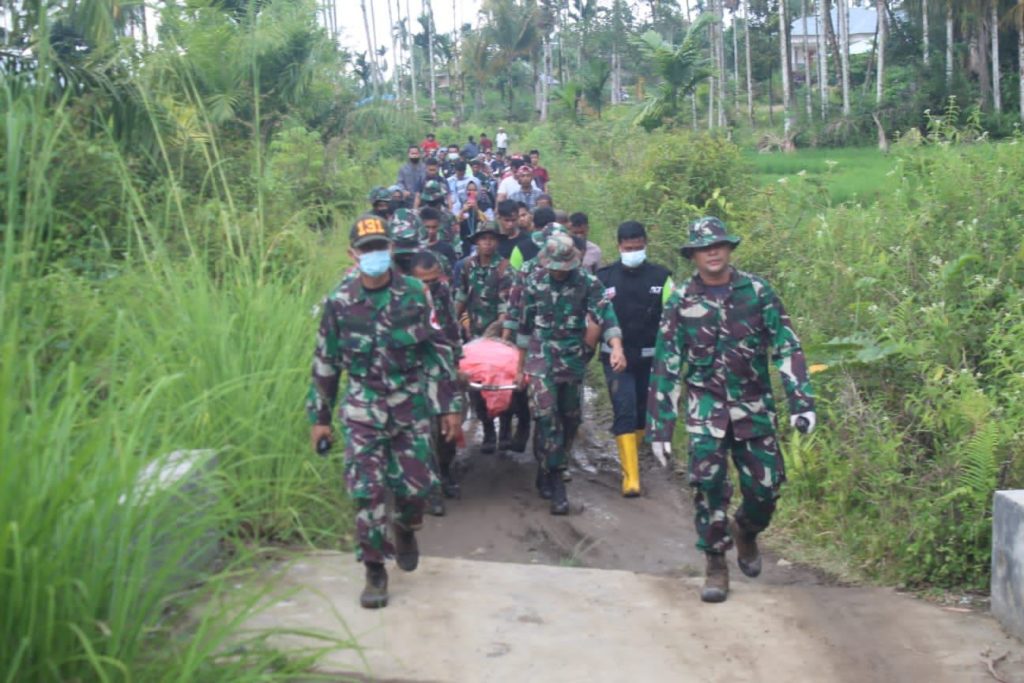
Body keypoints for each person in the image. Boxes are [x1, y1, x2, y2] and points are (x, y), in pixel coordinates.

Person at [646, 216, 816, 604]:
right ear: (693, 255)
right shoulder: (682, 301)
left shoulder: (757, 292)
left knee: (767, 488)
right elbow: (666, 366)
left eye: (719, 245)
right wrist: (659, 428)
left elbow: (786, 346)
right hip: (706, 413)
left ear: (728, 249)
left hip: (753, 410)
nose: (713, 252)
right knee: (708, 490)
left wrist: (801, 402)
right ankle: (715, 564)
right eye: (705, 248)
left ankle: (746, 530)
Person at [308, 213, 463, 609]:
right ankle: (374, 569)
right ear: (353, 254)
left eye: (381, 247)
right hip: (363, 410)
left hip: (410, 407)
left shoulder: (414, 293)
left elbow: (437, 349)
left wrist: (448, 405)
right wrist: (320, 420)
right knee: (368, 491)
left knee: (415, 493)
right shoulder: (339, 302)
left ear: (391, 249)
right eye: (367, 249)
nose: (375, 254)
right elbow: (326, 363)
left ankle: (406, 527)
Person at [516, 231, 625, 514]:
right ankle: (557, 481)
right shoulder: (534, 282)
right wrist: (519, 367)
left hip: (572, 359)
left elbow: (606, 314)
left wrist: (616, 346)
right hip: (541, 360)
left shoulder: (587, 283)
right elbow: (524, 327)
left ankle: (547, 464)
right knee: (546, 416)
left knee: (570, 417)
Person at [596, 221, 673, 497]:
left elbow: (672, 318)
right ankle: (631, 477)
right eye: (629, 248)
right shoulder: (605, 278)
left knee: (642, 412)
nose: (634, 252)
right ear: (619, 247)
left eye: (639, 247)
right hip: (616, 358)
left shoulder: (662, 277)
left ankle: (637, 455)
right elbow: (596, 318)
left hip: (650, 358)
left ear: (646, 244)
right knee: (625, 408)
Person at [455, 221, 512, 454]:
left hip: (499, 335)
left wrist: (499, 335)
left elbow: (506, 306)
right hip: (474, 335)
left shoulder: (504, 268)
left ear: (497, 242)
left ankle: (506, 428)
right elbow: (460, 297)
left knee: (504, 383)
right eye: (483, 238)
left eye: (491, 238)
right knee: (475, 386)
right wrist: (450, 322)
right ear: (476, 242)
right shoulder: (467, 266)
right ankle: (488, 429)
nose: (487, 243)